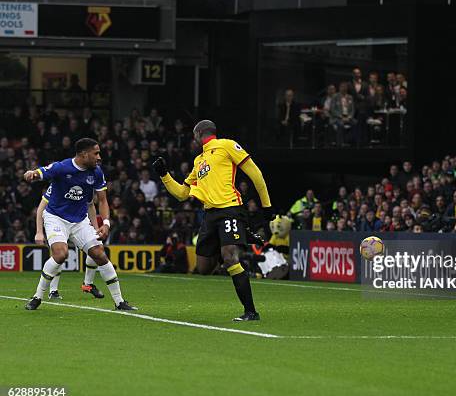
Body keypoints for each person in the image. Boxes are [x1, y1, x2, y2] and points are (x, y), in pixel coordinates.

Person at [152, 120, 273, 321]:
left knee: (230, 257)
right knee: (203, 268)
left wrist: (266, 206)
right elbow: (182, 193)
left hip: (230, 208)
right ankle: (239, 235)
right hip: (210, 215)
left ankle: (251, 312)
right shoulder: (199, 161)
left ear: (199, 134)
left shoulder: (226, 145)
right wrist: (165, 175)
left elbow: (255, 173)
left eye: (193, 135)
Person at [22, 138, 136, 311]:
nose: (99, 157)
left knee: (99, 253)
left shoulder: (96, 172)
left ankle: (120, 302)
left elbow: (103, 200)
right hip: (56, 217)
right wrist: (31, 174)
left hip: (80, 220)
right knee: (61, 254)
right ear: (84, 154)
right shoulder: (62, 167)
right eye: (96, 153)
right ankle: (38, 296)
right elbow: (41, 172)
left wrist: (105, 223)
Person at [35, 188, 105, 300]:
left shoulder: (85, 182)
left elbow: (90, 205)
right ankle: (53, 291)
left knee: (96, 248)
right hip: (57, 220)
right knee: (59, 255)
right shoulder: (59, 181)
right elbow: (41, 207)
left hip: (78, 222)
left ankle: (88, 284)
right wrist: (39, 231)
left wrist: (96, 228)